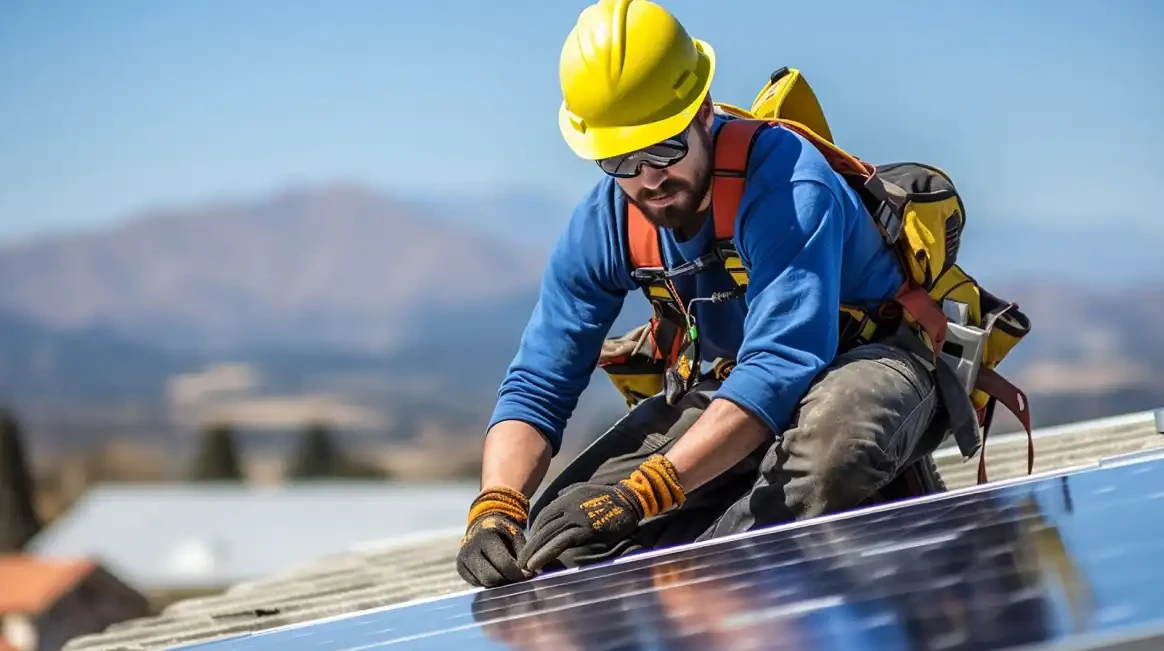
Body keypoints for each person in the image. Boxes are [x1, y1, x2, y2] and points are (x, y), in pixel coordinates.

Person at [455, 0, 968, 589]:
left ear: (702, 114)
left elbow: (781, 365)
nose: (648, 178)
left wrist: (646, 493)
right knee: (555, 537)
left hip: (873, 362)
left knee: (833, 448)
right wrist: (496, 508)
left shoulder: (787, 182)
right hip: (740, 384)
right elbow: (539, 381)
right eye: (620, 159)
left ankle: (716, 591)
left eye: (664, 147)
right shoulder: (606, 222)